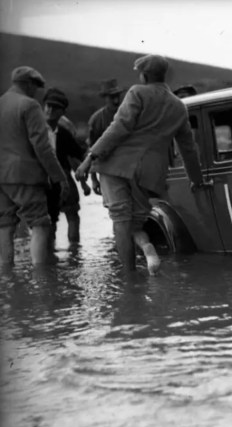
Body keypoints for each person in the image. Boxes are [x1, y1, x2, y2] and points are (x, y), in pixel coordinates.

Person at [76, 54, 204, 276]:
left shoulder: (137, 93)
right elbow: (188, 149)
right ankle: (147, 249)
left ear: (144, 75)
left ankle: (129, 279)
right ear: (164, 75)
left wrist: (90, 157)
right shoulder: (178, 106)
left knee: (120, 221)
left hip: (116, 165)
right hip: (149, 173)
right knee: (135, 223)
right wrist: (196, 179)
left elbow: (119, 127)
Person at [0, 66, 68, 267]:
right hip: (25, 176)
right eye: (36, 87)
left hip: (1, 176)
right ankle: (41, 278)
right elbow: (42, 146)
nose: (36, 92)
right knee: (40, 223)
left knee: (4, 225)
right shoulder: (29, 105)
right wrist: (59, 177)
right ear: (29, 84)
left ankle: (6, 275)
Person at [43, 87, 91, 245]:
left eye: (55, 107)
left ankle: (73, 250)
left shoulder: (63, 133)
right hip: (42, 179)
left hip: (62, 176)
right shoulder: (36, 130)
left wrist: (86, 177)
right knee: (47, 220)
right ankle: (52, 253)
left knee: (71, 214)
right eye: (48, 106)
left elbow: (78, 155)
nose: (50, 110)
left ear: (62, 112)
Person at [87, 78, 125, 195]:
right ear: (105, 98)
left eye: (117, 96)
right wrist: (94, 179)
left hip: (130, 169)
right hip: (107, 171)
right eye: (112, 97)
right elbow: (92, 151)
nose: (116, 100)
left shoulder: (129, 114)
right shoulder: (97, 120)